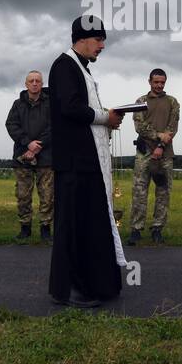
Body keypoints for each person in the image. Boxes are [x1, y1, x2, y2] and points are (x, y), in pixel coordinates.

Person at [48, 15, 126, 307]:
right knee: (75, 225)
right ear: (81, 39)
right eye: (98, 40)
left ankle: (96, 284)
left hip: (85, 160)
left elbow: (83, 108)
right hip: (74, 163)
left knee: (90, 223)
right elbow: (70, 108)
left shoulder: (79, 68)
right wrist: (106, 117)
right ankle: (72, 289)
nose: (102, 46)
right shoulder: (64, 66)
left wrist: (105, 116)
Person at [128, 68, 179, 245]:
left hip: (165, 154)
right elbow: (139, 126)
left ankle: (157, 228)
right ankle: (136, 228)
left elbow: (172, 127)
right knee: (139, 192)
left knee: (163, 192)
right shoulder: (140, 101)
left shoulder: (172, 102)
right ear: (149, 81)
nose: (159, 85)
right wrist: (158, 136)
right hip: (144, 153)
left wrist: (161, 145)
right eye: (156, 82)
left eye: (162, 82)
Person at [6, 70, 53, 241]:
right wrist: (28, 143)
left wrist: (39, 145)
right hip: (22, 157)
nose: (34, 83)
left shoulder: (51, 104)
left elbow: (55, 127)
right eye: (31, 81)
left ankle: (45, 229)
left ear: (42, 84)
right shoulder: (17, 105)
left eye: (38, 81)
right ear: (26, 84)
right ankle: (25, 228)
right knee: (23, 195)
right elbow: (11, 125)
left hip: (46, 157)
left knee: (47, 196)